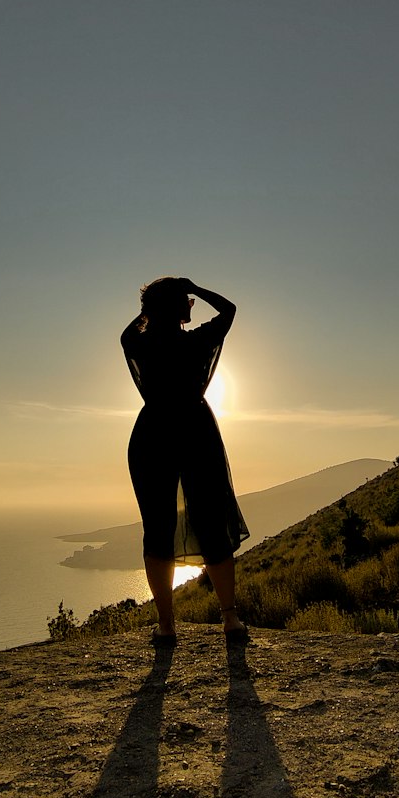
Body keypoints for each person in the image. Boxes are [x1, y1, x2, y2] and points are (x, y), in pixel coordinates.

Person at [121, 277, 249, 646]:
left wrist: (155, 306)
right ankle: (231, 620)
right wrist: (195, 286)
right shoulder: (197, 341)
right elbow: (229, 309)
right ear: (178, 307)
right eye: (188, 301)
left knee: (156, 526)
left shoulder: (138, 343)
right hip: (195, 432)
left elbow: (130, 329)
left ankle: (166, 626)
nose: (192, 305)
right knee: (212, 521)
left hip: (152, 434)